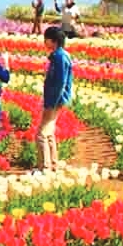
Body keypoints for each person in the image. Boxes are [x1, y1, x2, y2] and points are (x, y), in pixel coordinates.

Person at [36, 25, 74, 170]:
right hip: (57, 98)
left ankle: (44, 166)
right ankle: (52, 163)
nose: (44, 42)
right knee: (49, 132)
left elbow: (60, 83)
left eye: (46, 39)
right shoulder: (60, 55)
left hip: (55, 99)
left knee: (41, 134)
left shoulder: (59, 57)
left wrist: (51, 103)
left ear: (53, 41)